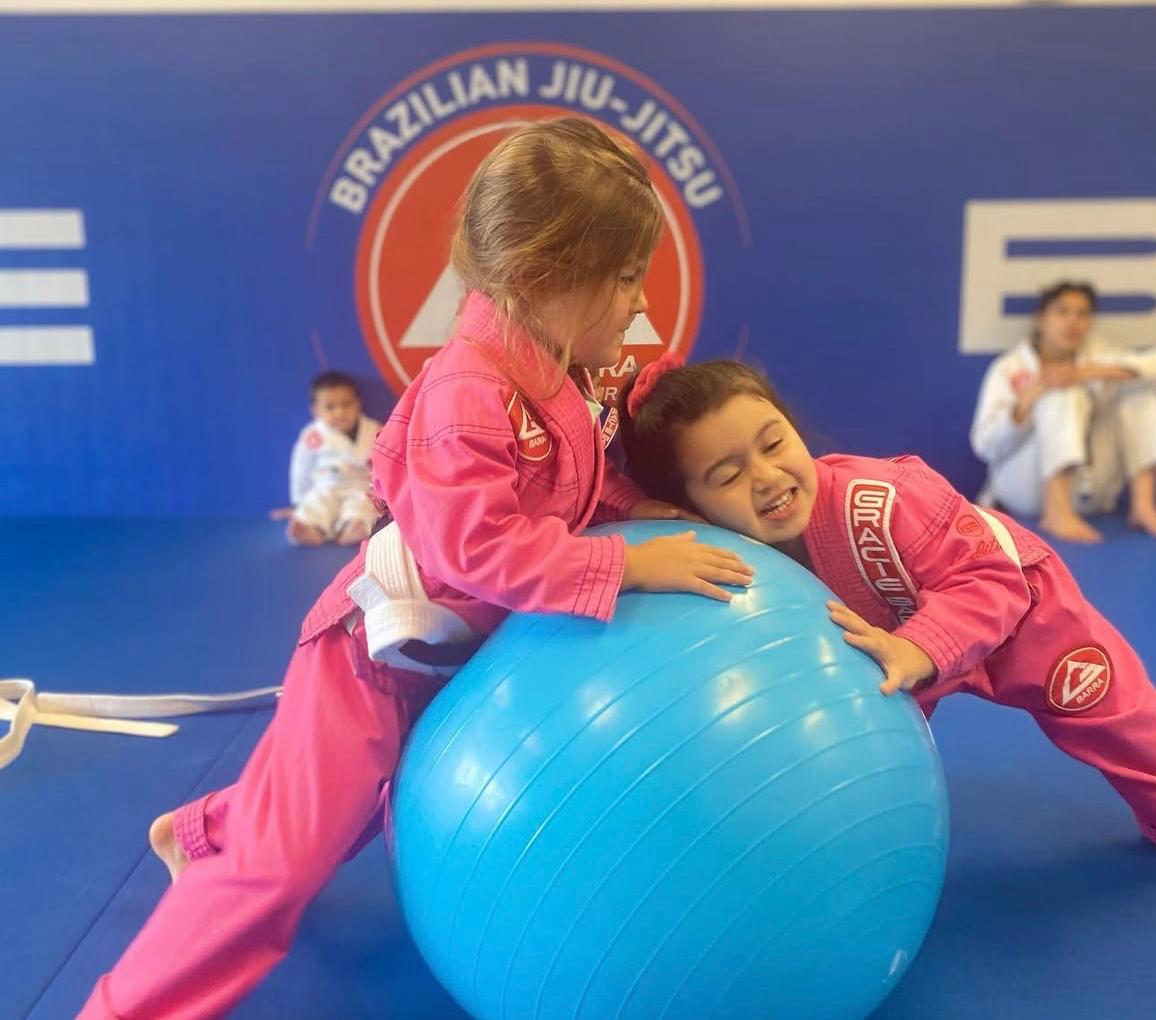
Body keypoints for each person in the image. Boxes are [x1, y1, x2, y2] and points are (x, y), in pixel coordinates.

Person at [79, 117, 752, 1019]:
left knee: (347, 812)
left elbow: (569, 484)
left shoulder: (558, 365)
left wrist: (639, 511)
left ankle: (199, 831)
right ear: (540, 277)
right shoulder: (469, 391)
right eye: (627, 276)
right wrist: (625, 568)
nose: (640, 303)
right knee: (282, 866)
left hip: (443, 656)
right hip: (371, 655)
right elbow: (474, 546)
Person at [618, 355, 1156, 897]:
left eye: (774, 444)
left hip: (1017, 612)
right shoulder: (716, 544)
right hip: (889, 653)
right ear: (690, 505)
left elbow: (990, 580)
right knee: (853, 758)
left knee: (1115, 710)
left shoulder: (881, 501)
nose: (766, 478)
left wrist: (918, 647)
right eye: (727, 475)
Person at [970, 281, 1156, 543]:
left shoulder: (1099, 355)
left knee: (1139, 386)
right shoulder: (1008, 368)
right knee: (1060, 393)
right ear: (1040, 319)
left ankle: (1144, 507)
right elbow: (984, 446)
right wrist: (1023, 406)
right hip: (1025, 490)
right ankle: (1057, 512)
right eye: (1062, 312)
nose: (1073, 322)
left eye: (1082, 314)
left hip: (1090, 494)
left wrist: (1083, 373)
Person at [284, 370, 381, 546]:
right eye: (330, 407)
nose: (340, 412)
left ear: (358, 403)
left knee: (364, 505)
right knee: (316, 503)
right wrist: (298, 500)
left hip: (360, 485)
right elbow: (301, 468)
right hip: (326, 485)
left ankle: (354, 527)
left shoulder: (374, 429)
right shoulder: (313, 435)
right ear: (315, 410)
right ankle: (308, 527)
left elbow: (384, 462)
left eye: (346, 404)